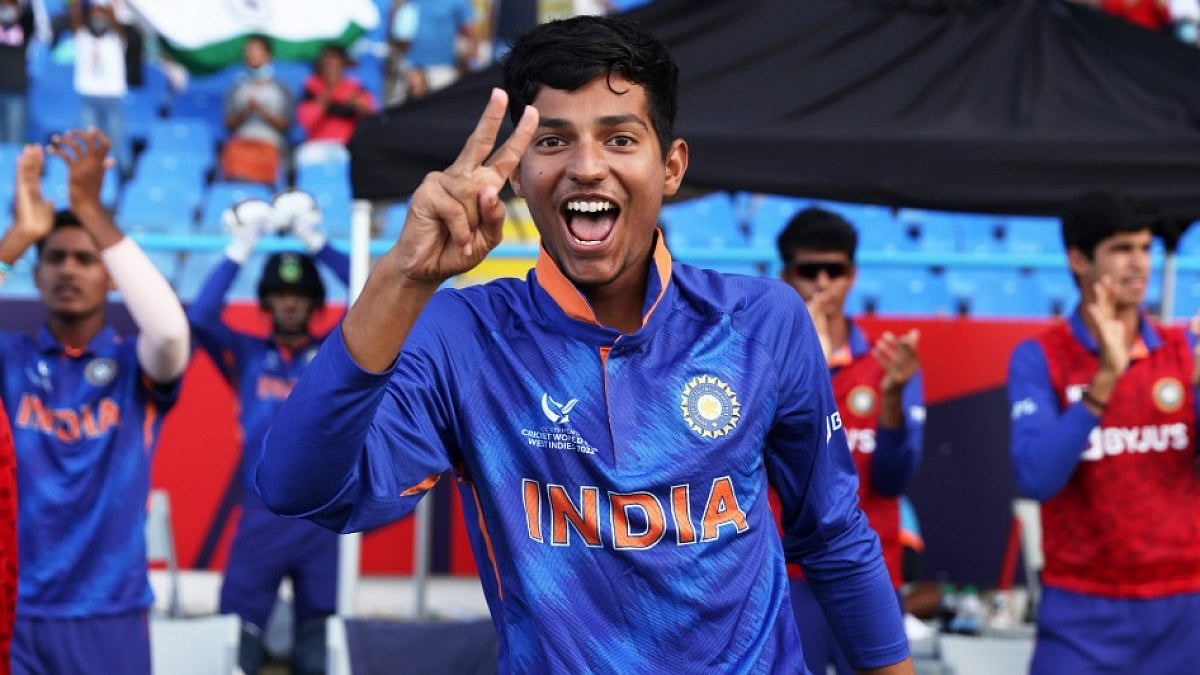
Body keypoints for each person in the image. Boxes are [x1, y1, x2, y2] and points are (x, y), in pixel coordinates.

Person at [258, 15, 914, 674]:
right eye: (552, 140)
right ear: (516, 174)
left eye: (620, 138)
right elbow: (300, 486)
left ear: (672, 167)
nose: (586, 167)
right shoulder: (465, 335)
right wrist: (402, 275)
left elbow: (833, 537)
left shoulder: (763, 320)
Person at [0, 130, 189, 674]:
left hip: (111, 613)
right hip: (18, 610)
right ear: (35, 274)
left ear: (110, 277)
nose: (67, 269)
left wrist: (90, 210)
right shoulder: (10, 360)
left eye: (85, 258)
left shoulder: (136, 364)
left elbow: (172, 333)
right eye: (54, 257)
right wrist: (17, 236)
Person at [1007, 190, 1200, 674]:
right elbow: (1035, 477)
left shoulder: (1185, 351)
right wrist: (1105, 382)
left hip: (1184, 610)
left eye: (1144, 247)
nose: (1138, 264)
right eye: (1120, 248)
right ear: (1078, 259)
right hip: (1081, 615)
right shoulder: (1040, 356)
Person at [187, 189, 348, 675]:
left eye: (300, 295)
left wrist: (316, 242)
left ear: (315, 301)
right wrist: (241, 247)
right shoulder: (246, 353)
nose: (291, 304)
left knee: (316, 650)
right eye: (281, 293)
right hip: (261, 517)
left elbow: (375, 298)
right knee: (235, 648)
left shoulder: (341, 352)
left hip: (323, 520)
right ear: (266, 301)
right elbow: (198, 317)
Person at [776, 207, 924, 675]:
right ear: (786, 275)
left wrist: (895, 402)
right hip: (785, 573)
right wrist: (804, 369)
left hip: (869, 569)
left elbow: (894, 479)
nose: (823, 283)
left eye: (835, 270)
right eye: (808, 270)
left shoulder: (888, 362)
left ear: (852, 276)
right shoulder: (762, 361)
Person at [220, 34, 293, 185]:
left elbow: (286, 125)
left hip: (269, 145)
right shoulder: (237, 88)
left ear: (268, 55)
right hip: (241, 144)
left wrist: (262, 110)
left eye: (256, 50)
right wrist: (247, 111)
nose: (251, 54)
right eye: (248, 50)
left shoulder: (281, 89)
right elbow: (229, 124)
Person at [69, 0, 131, 175]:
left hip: (112, 99)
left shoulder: (117, 39)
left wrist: (108, 7)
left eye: (101, 15)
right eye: (94, 15)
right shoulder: (83, 38)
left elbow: (115, 21)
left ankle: (124, 177)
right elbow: (75, 17)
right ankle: (88, 177)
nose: (98, 18)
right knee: (87, 142)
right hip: (88, 99)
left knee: (117, 142)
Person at [294, 43, 376, 167]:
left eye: (334, 59)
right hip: (317, 145)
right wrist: (324, 100)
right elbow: (305, 122)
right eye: (326, 60)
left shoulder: (355, 87)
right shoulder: (311, 87)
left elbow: (371, 114)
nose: (330, 64)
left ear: (342, 62)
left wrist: (358, 105)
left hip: (346, 145)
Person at [389, 0, 478, 104]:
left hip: (442, 73)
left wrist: (469, 67)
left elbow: (471, 35)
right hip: (410, 70)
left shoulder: (459, 2)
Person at [0, 0, 35, 144]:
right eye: (2, 7)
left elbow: (29, 13)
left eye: (10, 6)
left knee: (13, 143)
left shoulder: (24, 29)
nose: (6, 9)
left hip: (16, 93)